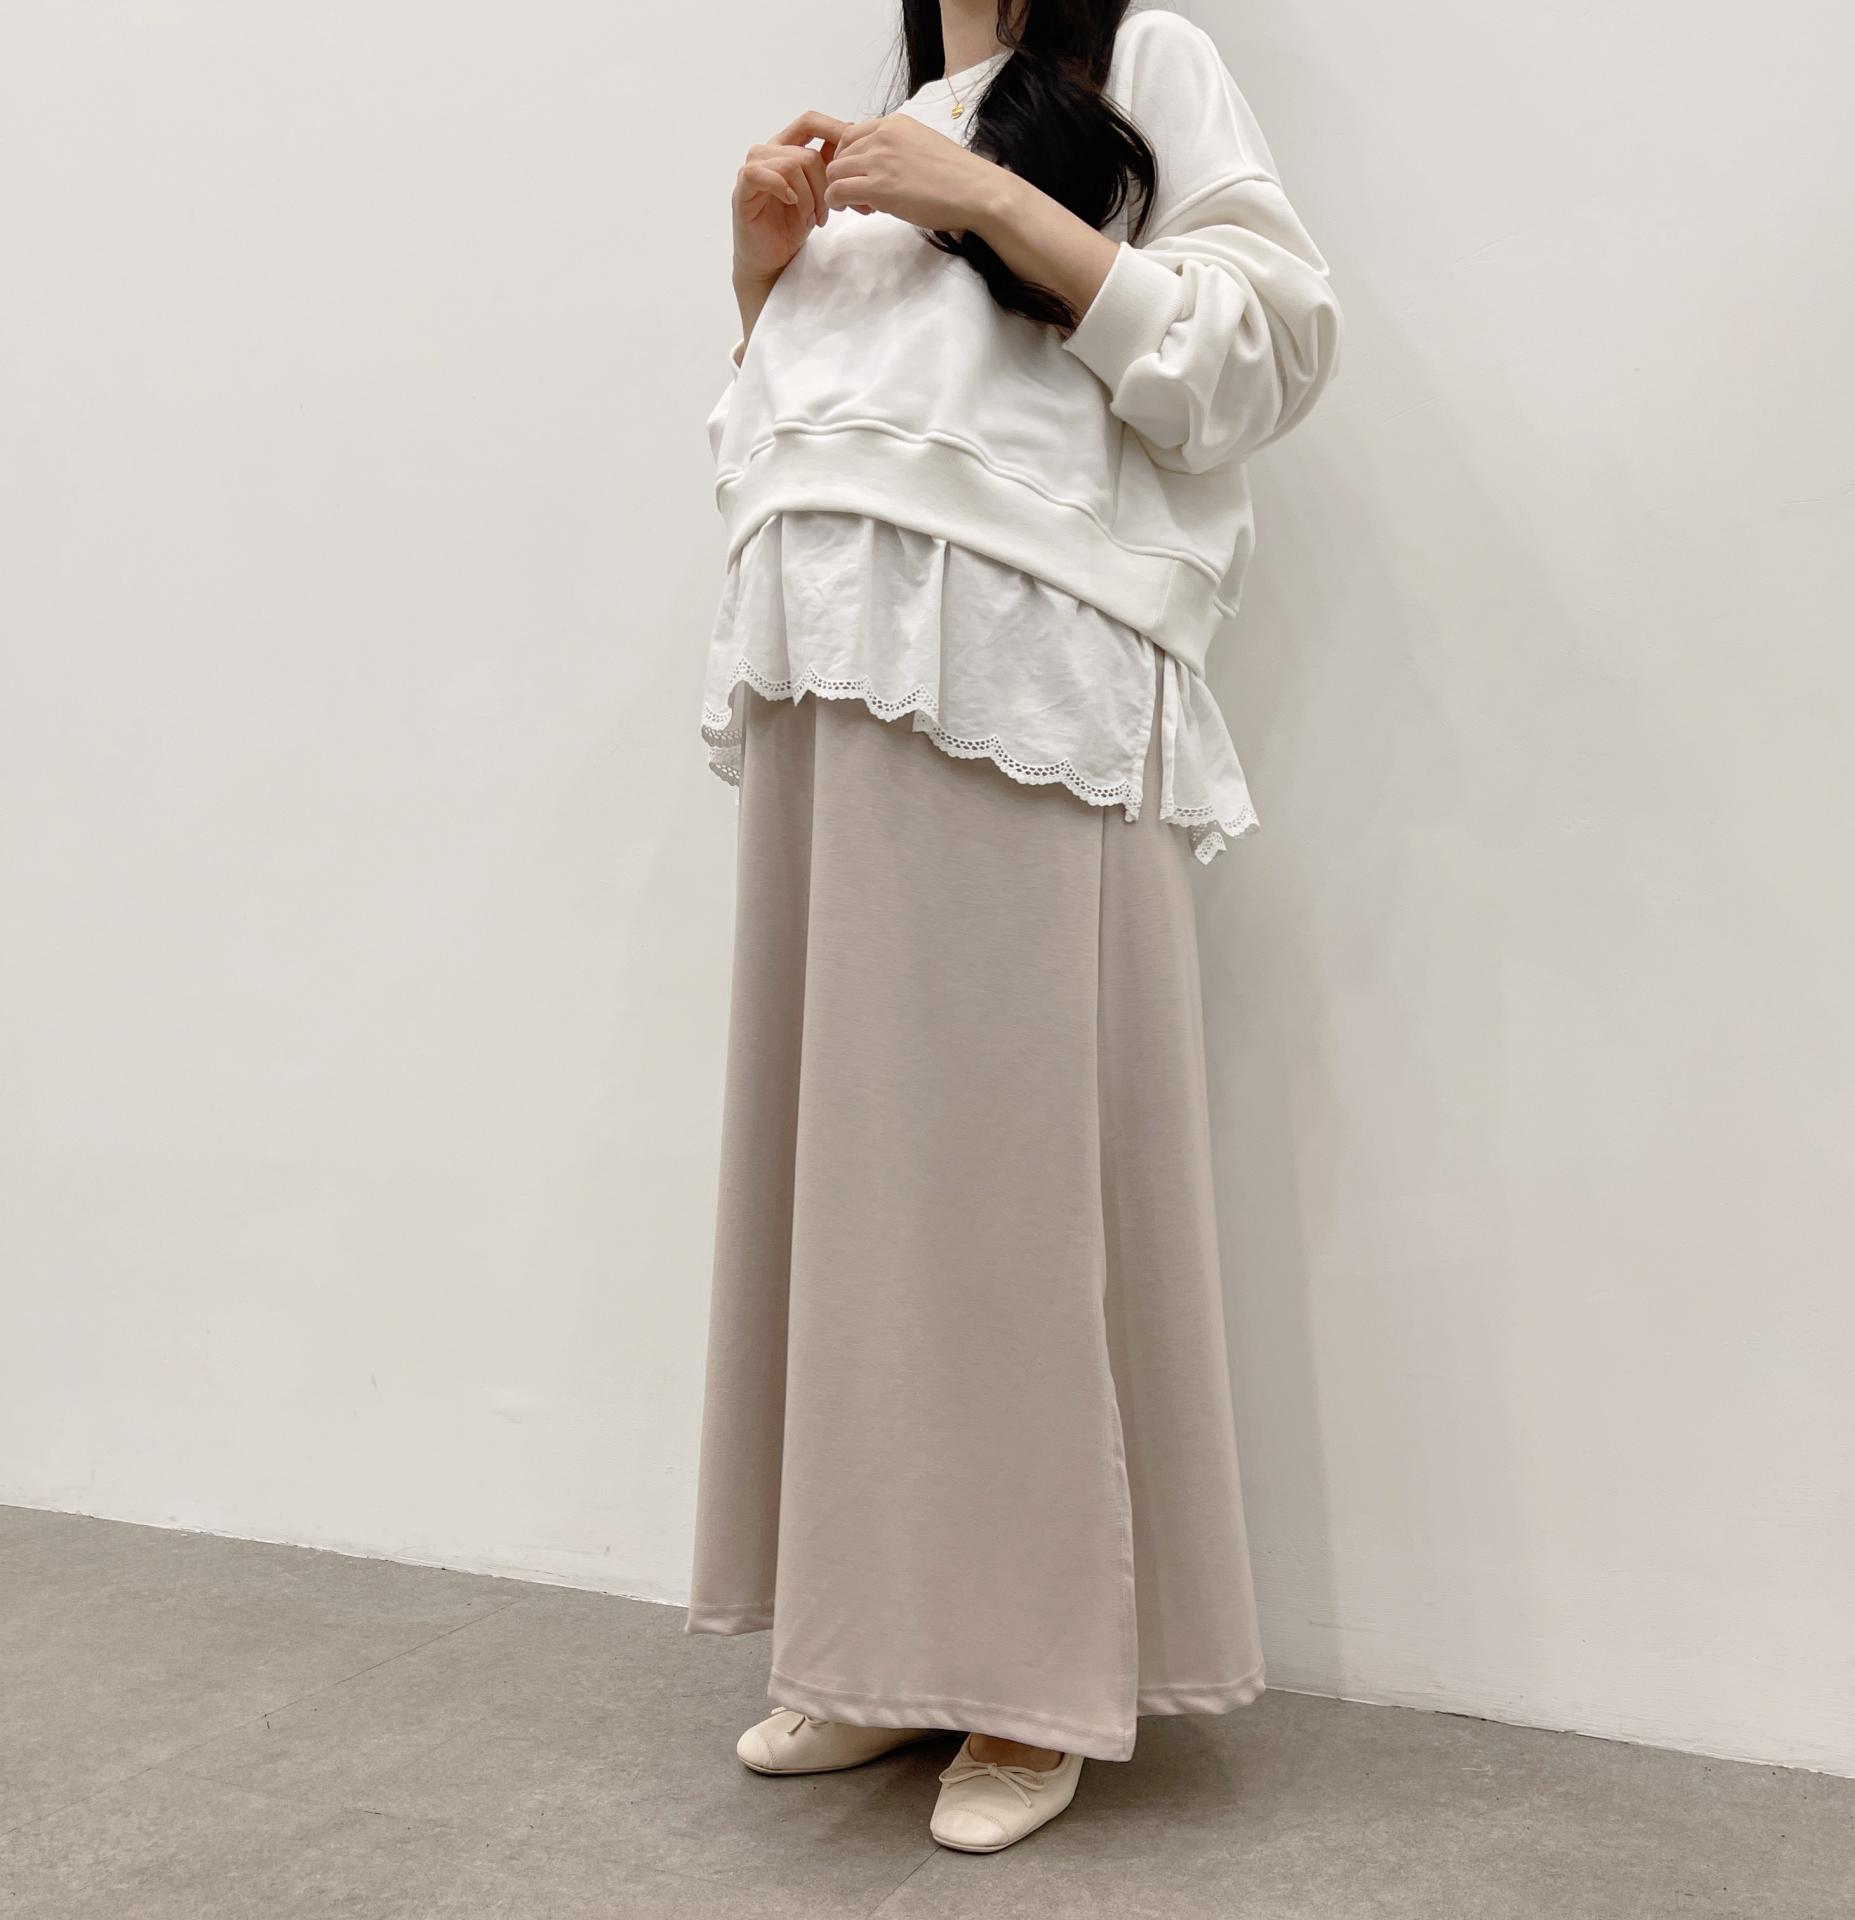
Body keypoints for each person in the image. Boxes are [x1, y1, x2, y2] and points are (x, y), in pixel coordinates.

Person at [685, 0, 1341, 1854]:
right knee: (856, 1187)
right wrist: (760, 279)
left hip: (1028, 681)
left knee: (1011, 1191)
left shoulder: (1145, 67)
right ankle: (879, 1643)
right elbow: (826, 426)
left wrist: (981, 196)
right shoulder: (894, 120)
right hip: (836, 682)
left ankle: (1027, 1675)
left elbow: (1265, 355)